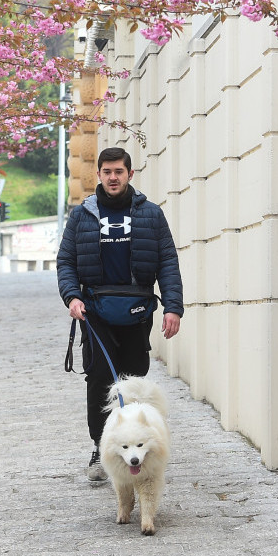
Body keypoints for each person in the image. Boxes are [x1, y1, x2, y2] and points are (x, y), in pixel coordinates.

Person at [56, 146, 183, 482]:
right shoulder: (82, 215)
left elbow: (167, 262)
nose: (113, 178)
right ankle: (101, 449)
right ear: (98, 174)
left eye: (119, 172)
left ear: (130, 174)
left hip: (138, 311)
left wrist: (173, 307)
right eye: (107, 172)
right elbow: (66, 261)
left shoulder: (151, 214)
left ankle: (137, 447)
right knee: (100, 379)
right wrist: (72, 296)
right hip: (95, 311)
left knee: (133, 380)